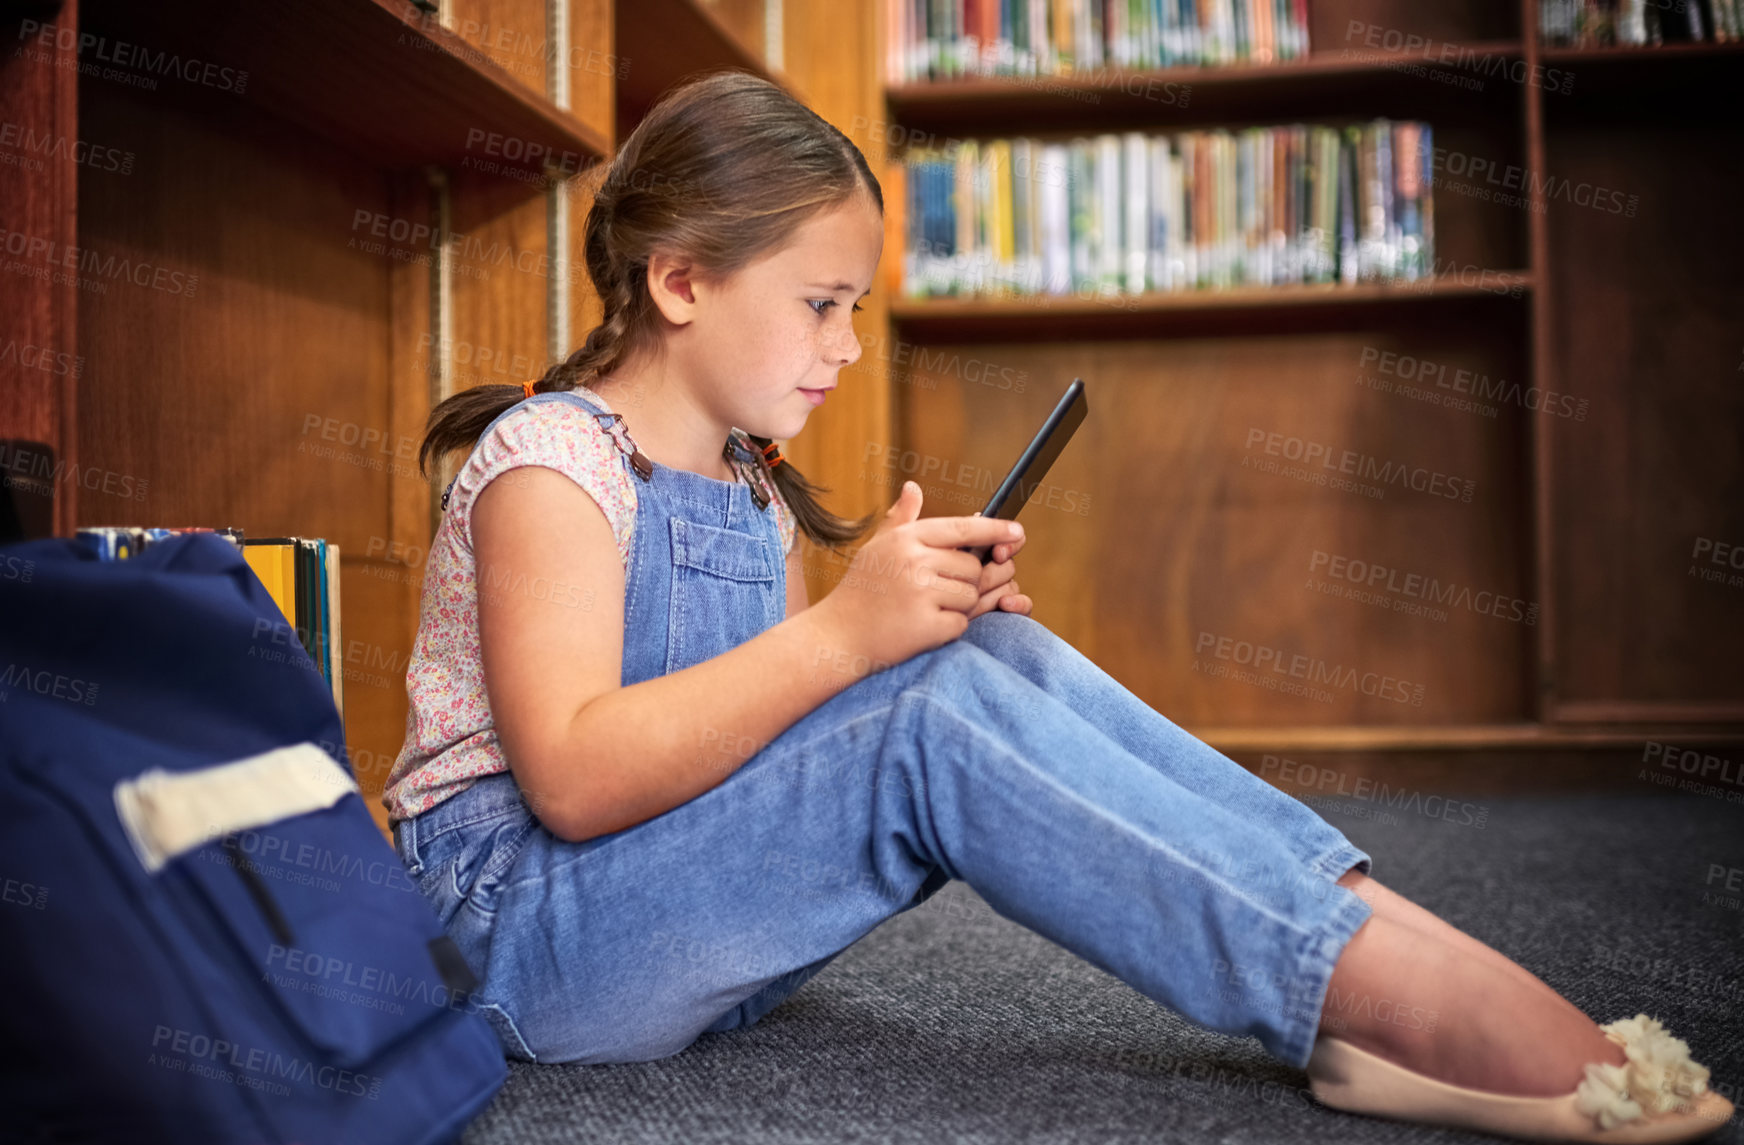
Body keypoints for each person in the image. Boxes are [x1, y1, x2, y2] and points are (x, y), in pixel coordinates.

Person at [381, 70, 1730, 1143]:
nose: (849, 346)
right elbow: (570, 776)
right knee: (925, 709)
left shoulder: (748, 478)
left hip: (669, 925)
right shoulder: (552, 465)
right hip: (519, 948)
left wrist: (889, 636)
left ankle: (1372, 931)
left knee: (986, 650)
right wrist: (848, 640)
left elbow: (756, 748)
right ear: (682, 282)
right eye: (821, 305)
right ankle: (1379, 994)